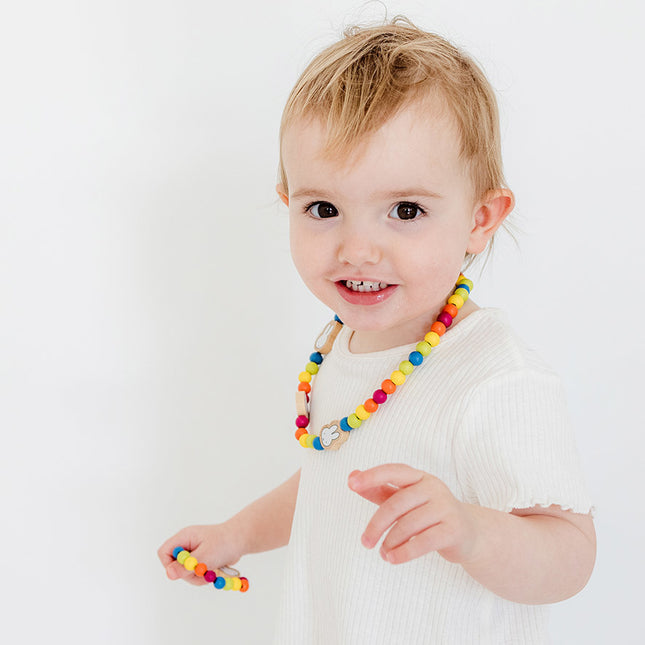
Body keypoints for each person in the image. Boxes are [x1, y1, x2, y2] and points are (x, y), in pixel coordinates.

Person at [158, 17, 595, 643]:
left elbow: (571, 554)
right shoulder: (342, 344)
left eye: (406, 210)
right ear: (288, 203)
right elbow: (331, 482)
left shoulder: (498, 378)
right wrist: (237, 534)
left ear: (480, 218)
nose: (357, 249)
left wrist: (470, 531)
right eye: (324, 209)